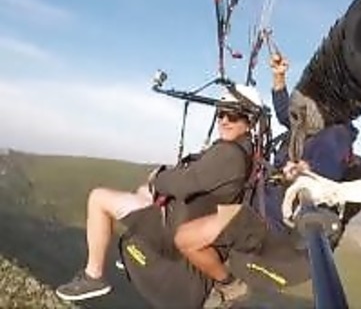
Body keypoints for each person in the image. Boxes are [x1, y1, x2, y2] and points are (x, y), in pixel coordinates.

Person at [174, 53, 361, 308]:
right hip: (262, 201)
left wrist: (302, 170)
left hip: (269, 220)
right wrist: (279, 77)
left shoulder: (334, 136)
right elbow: (286, 113)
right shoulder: (311, 124)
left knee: (186, 238)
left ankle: (228, 285)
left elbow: (322, 172)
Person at [55, 84, 264, 305]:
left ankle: (93, 276)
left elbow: (183, 183)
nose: (224, 120)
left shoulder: (229, 155)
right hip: (188, 214)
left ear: (249, 122)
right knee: (142, 191)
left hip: (175, 225)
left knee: (98, 198)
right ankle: (139, 245)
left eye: (233, 115)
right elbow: (196, 179)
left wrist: (157, 178)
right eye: (221, 113)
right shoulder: (244, 151)